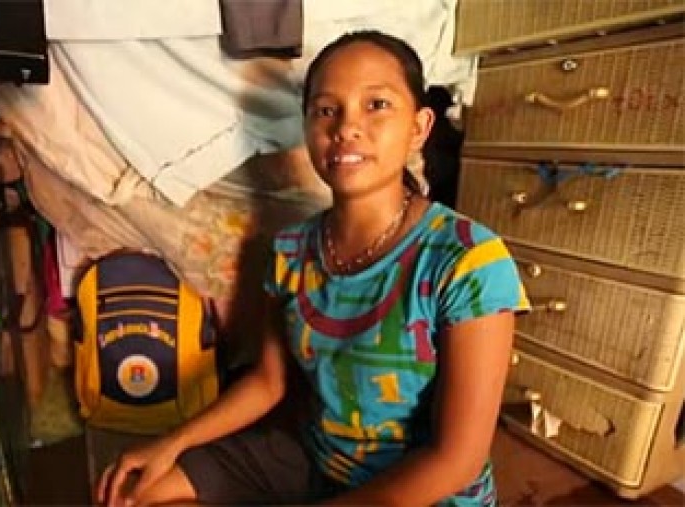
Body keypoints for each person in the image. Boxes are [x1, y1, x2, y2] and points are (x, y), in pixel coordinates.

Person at [96, 30, 529, 507]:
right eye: (326, 110)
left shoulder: (468, 260)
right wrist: (173, 441)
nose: (346, 128)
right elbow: (268, 382)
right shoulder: (291, 249)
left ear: (420, 127)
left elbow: (456, 461)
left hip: (423, 491)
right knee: (138, 492)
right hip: (320, 462)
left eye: (377, 104)